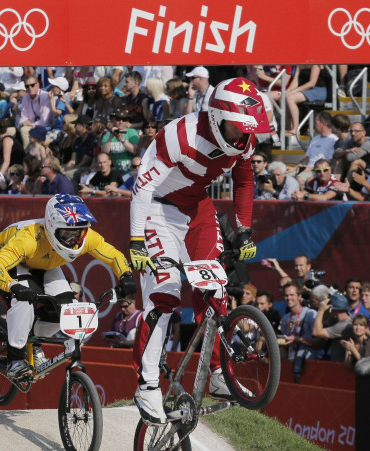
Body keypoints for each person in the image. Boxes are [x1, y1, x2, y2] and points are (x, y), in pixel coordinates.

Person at [127, 77, 268, 425]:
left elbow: (245, 180)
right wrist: (134, 241)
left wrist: (245, 228)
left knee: (214, 290)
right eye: (237, 126)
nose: (243, 136)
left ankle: (219, 371)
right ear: (218, 117)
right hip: (157, 209)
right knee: (165, 296)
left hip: (198, 209)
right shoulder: (181, 137)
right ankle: (146, 386)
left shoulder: (245, 140)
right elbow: (142, 189)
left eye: (247, 128)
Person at [0, 194, 136, 380]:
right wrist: (12, 285)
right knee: (24, 301)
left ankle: (33, 338)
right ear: (52, 227)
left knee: (67, 309)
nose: (73, 239)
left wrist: (125, 275)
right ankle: (14, 359)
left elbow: (112, 255)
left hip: (45, 262)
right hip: (5, 259)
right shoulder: (28, 239)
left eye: (78, 233)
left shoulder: (86, 237)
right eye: (67, 234)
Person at [279, 283, 321, 361]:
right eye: (286, 295)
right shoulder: (285, 318)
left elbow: (321, 342)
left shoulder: (310, 314)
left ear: (299, 296)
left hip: (309, 362)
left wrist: (299, 340)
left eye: (292, 295)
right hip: (291, 362)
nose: (288, 298)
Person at [312, 294, 354, 362]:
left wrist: (321, 310)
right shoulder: (350, 318)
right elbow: (325, 321)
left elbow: (316, 332)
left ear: (332, 310)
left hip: (341, 367)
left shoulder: (343, 325)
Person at [18, 75, 52, 149]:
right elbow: (24, 117)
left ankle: (29, 156)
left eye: (32, 85)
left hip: (47, 127)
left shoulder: (45, 96)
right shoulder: (25, 98)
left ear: (38, 85)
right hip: (34, 125)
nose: (30, 88)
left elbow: (45, 122)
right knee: (10, 130)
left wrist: (30, 124)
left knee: (24, 130)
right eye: (27, 86)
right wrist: (21, 124)